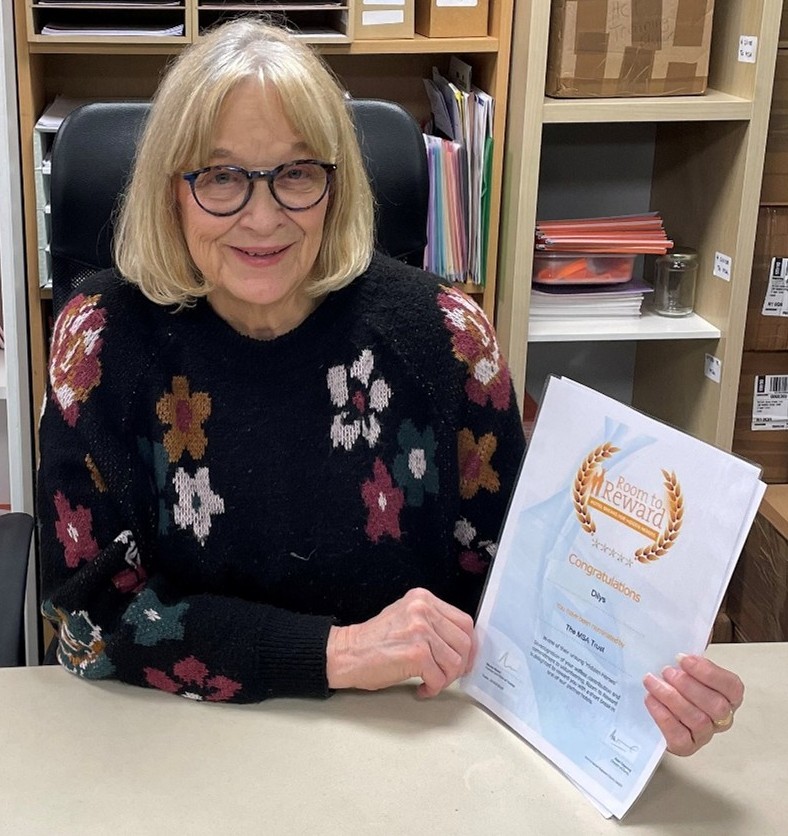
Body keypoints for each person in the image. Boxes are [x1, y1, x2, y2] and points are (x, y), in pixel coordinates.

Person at [38, 17, 740, 756]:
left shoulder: (445, 337)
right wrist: (337, 653)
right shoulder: (103, 343)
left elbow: (517, 593)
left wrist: (637, 696)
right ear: (169, 190)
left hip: (412, 744)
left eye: (297, 173)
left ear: (337, 185)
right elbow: (90, 620)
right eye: (220, 177)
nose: (264, 216)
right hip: (175, 751)